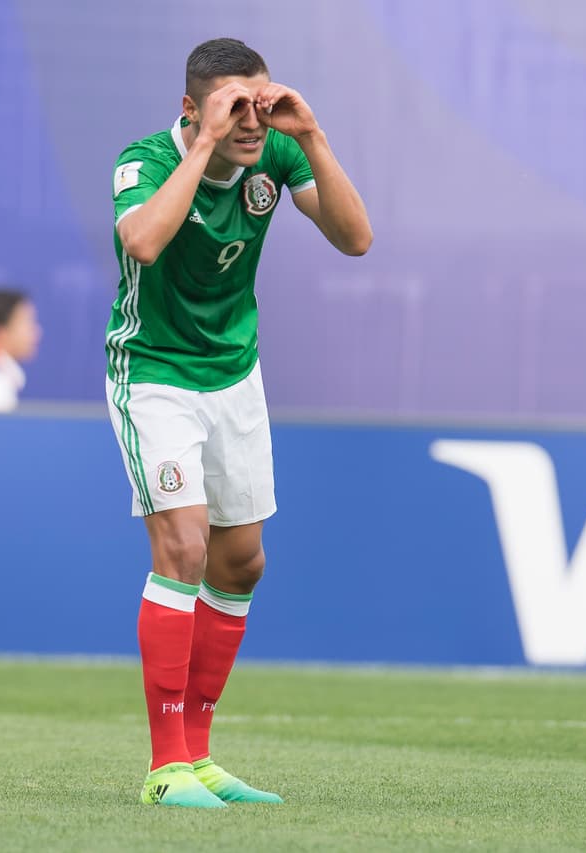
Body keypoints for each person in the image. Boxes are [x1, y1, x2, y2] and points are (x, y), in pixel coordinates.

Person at [106, 38, 371, 808]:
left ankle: (201, 754)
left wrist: (311, 135)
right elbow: (144, 242)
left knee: (241, 563)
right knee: (183, 545)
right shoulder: (147, 159)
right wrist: (209, 145)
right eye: (233, 106)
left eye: (260, 104)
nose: (254, 120)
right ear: (192, 107)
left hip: (234, 374)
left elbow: (356, 238)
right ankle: (165, 770)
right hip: (154, 373)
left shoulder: (278, 155)